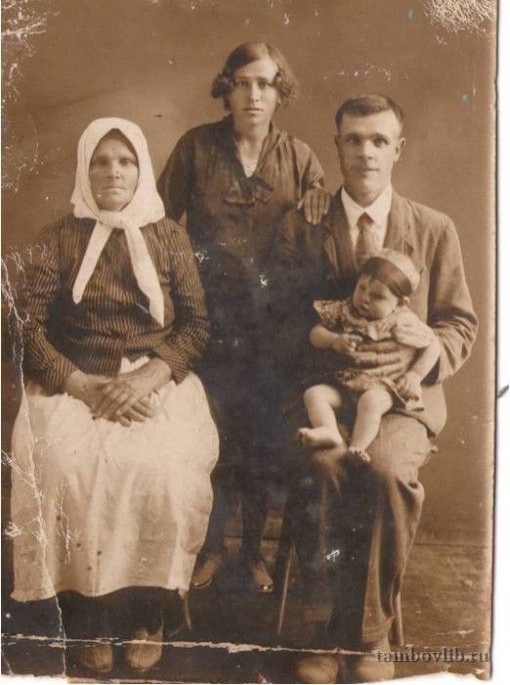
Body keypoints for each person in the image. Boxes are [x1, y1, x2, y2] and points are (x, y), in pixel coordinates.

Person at [275, 94, 478, 683]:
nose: (366, 152)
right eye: (354, 140)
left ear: (398, 149)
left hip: (401, 400)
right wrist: (329, 346)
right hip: (326, 388)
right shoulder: (302, 225)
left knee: (386, 470)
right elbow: (278, 321)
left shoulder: (433, 228)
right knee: (325, 465)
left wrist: (417, 359)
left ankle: (368, 633)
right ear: (337, 145)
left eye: (379, 141)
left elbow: (459, 323)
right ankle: (319, 626)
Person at [9, 118, 218, 675]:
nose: (113, 172)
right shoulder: (59, 236)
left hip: (155, 383)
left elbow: (196, 324)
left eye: (125, 161)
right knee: (65, 466)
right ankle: (87, 615)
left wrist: (150, 376)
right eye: (100, 161)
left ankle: (148, 612)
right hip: (76, 382)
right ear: (85, 169)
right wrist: (79, 382)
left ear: (141, 168)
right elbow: (27, 328)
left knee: (164, 471)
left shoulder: (170, 237)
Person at [157, 42, 330, 593]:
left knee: (259, 439)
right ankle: (209, 547)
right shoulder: (195, 148)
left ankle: (253, 551)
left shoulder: (301, 158)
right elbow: (157, 225)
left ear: (280, 92)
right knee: (208, 435)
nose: (254, 95)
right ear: (226, 89)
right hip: (205, 323)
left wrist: (321, 200)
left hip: (273, 328)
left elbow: (324, 232)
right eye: (243, 83)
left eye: (266, 84)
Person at [298, 249, 441, 462]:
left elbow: (433, 345)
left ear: (401, 303)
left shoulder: (403, 321)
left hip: (382, 386)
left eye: (378, 296)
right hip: (343, 383)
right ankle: (328, 430)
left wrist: (414, 375)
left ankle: (357, 448)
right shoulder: (345, 309)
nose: (365, 299)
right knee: (314, 394)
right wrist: (333, 340)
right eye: (362, 288)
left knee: (371, 402)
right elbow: (314, 334)